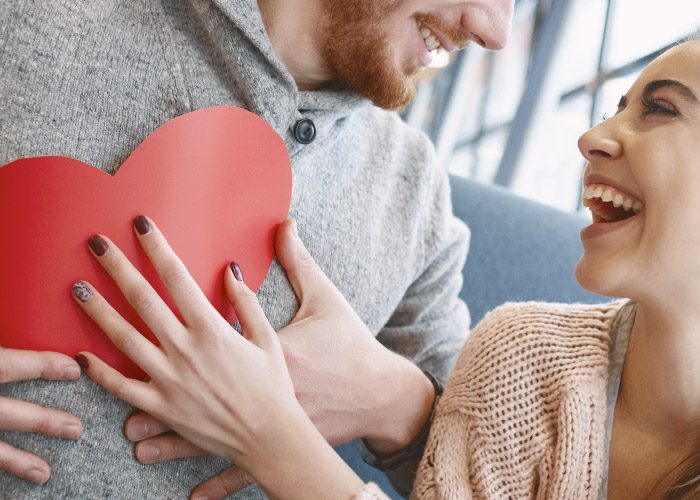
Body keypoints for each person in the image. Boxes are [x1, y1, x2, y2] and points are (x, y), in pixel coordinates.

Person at [70, 36, 700, 498]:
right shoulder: (524, 359)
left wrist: (272, 432)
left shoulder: (414, 199)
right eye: (616, 106)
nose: (594, 134)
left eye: (662, 109)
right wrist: (404, 404)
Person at [0, 0, 513, 497]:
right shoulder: (27, 22)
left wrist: (400, 403)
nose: (496, 31)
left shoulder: (416, 194)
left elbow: (478, 474)